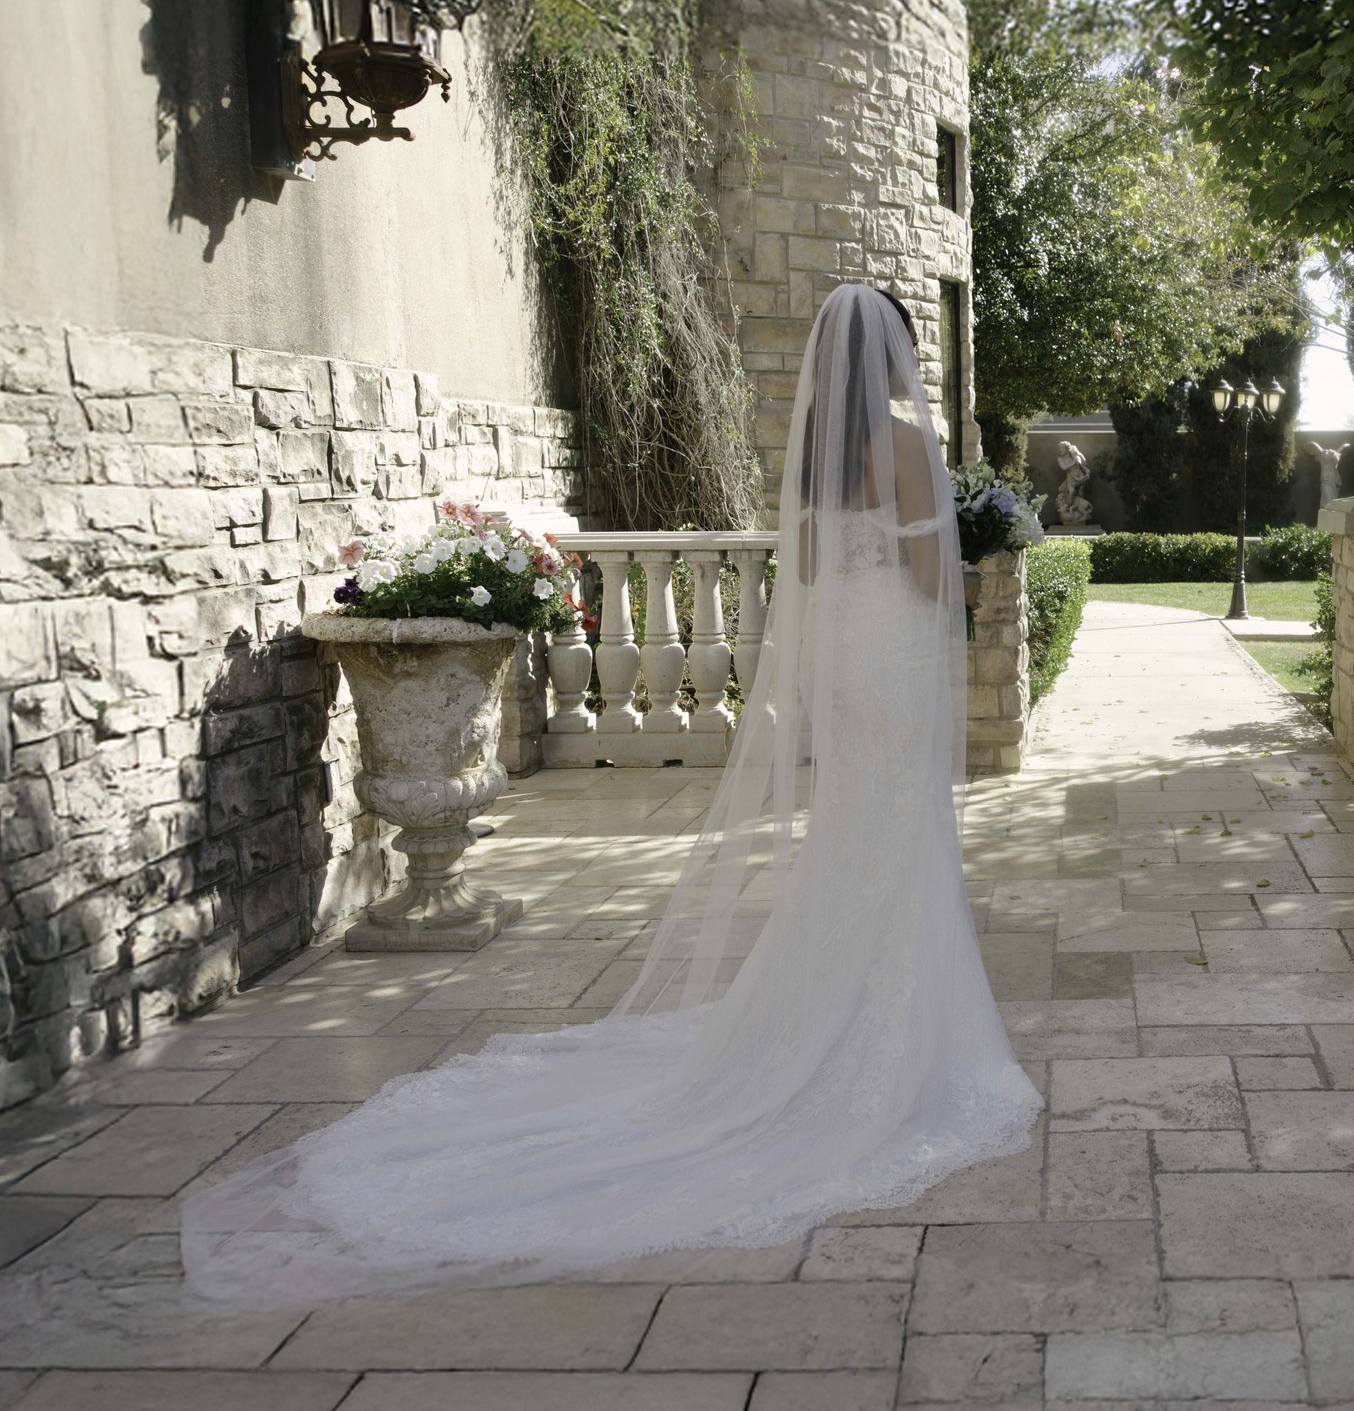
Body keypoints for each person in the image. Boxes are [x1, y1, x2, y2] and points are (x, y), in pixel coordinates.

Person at [182, 284, 1042, 1301]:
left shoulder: (817, 453)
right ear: (894, 353)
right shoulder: (903, 444)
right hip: (890, 651)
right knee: (899, 830)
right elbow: (915, 565)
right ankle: (892, 1037)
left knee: (861, 829)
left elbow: (809, 565)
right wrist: (969, 548)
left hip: (844, 664)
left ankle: (837, 1012)